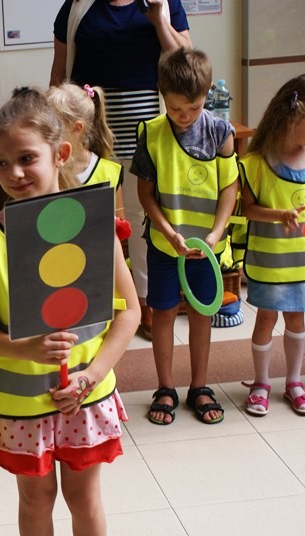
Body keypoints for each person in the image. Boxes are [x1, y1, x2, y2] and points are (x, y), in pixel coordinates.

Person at [0, 87, 140, 535]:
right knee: (35, 499)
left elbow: (129, 312)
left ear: (60, 154)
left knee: (83, 497)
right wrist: (24, 348)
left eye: (26, 158)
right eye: (1, 162)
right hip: (20, 400)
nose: (14, 172)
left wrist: (92, 375)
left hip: (85, 391)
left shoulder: (95, 225)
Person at [51, 0, 192, 340]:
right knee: (87, 219)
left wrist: (160, 21)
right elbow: (59, 75)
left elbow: (185, 65)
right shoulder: (78, 6)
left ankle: (144, 301)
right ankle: (89, 302)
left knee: (142, 219)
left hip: (146, 133)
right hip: (88, 134)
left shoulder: (163, 3)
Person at [132, 48, 239, 425]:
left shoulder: (221, 132)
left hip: (206, 249)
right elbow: (145, 194)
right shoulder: (151, 133)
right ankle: (165, 387)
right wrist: (168, 232)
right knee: (162, 313)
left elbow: (229, 188)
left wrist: (216, 233)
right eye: (176, 108)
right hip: (165, 246)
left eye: (193, 107)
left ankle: (199, 386)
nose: (184, 116)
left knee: (201, 313)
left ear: (206, 94)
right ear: (162, 94)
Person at [238, 75, 305, 416]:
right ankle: (261, 383)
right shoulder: (256, 163)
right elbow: (247, 209)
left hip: (301, 263)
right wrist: (279, 215)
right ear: (292, 117)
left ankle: (294, 382)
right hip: (269, 262)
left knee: (297, 318)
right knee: (266, 318)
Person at [46, 82, 123, 199]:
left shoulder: (109, 172)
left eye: (53, 125)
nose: (44, 132)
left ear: (77, 128)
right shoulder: (42, 167)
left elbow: (118, 211)